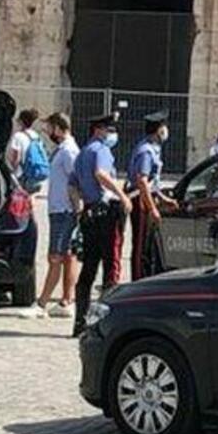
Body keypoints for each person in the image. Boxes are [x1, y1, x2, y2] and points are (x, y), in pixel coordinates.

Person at [72, 114, 130, 336]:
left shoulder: (82, 153)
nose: (111, 134)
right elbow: (101, 174)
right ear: (98, 130)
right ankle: (107, 324)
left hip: (89, 213)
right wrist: (122, 196)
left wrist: (80, 208)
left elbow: (73, 185)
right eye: (108, 129)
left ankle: (80, 321)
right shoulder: (100, 150)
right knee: (111, 266)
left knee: (88, 269)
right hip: (106, 213)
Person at [34, 113, 82, 318]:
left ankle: (43, 302)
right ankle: (66, 301)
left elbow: (76, 180)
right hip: (60, 209)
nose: (48, 133)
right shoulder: (63, 150)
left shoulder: (69, 151)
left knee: (55, 257)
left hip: (64, 210)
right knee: (67, 256)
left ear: (60, 128)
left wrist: (77, 207)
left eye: (50, 128)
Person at [125, 112, 173, 280]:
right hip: (141, 200)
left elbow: (152, 183)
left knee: (148, 245)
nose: (166, 130)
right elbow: (142, 181)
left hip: (147, 197)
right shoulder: (146, 151)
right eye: (163, 127)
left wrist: (164, 199)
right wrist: (152, 208)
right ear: (158, 130)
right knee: (140, 245)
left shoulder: (154, 149)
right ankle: (137, 279)